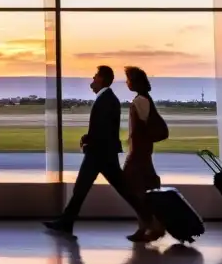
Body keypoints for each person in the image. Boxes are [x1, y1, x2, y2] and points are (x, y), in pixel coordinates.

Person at [44, 65, 155, 242]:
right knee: (92, 188)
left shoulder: (107, 100)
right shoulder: (107, 99)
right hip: (102, 154)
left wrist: (89, 143)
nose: (92, 80)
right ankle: (66, 222)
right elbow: (104, 128)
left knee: (93, 188)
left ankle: (149, 218)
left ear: (102, 79)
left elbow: (104, 130)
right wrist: (88, 137)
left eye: (95, 77)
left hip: (99, 154)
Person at [122, 66, 166, 242]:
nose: (127, 83)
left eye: (128, 79)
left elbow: (140, 129)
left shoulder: (140, 101)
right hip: (142, 152)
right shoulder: (144, 99)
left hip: (139, 153)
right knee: (143, 188)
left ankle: (150, 224)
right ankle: (150, 225)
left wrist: (133, 150)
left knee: (132, 188)